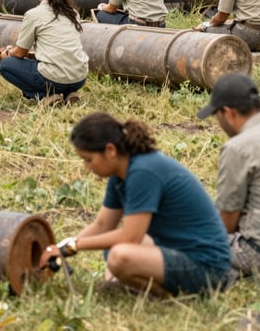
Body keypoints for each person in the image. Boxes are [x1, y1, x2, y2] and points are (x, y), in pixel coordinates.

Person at [40, 112, 232, 296]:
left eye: (89, 160)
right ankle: (124, 285)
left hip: (208, 267)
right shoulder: (120, 174)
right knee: (112, 245)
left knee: (119, 256)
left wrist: (73, 246)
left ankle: (165, 298)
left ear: (110, 150)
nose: (87, 167)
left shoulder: (143, 172)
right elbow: (102, 225)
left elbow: (131, 237)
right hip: (179, 252)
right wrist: (60, 249)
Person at [197, 72, 260, 281]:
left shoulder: (237, 147)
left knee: (193, 242)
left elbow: (226, 223)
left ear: (228, 113)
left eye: (216, 116)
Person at [0, 0, 88, 104]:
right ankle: (70, 93)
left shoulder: (33, 14)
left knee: (6, 65)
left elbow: (21, 52)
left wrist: (9, 53)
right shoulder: (72, 12)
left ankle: (44, 96)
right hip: (80, 77)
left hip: (53, 78)